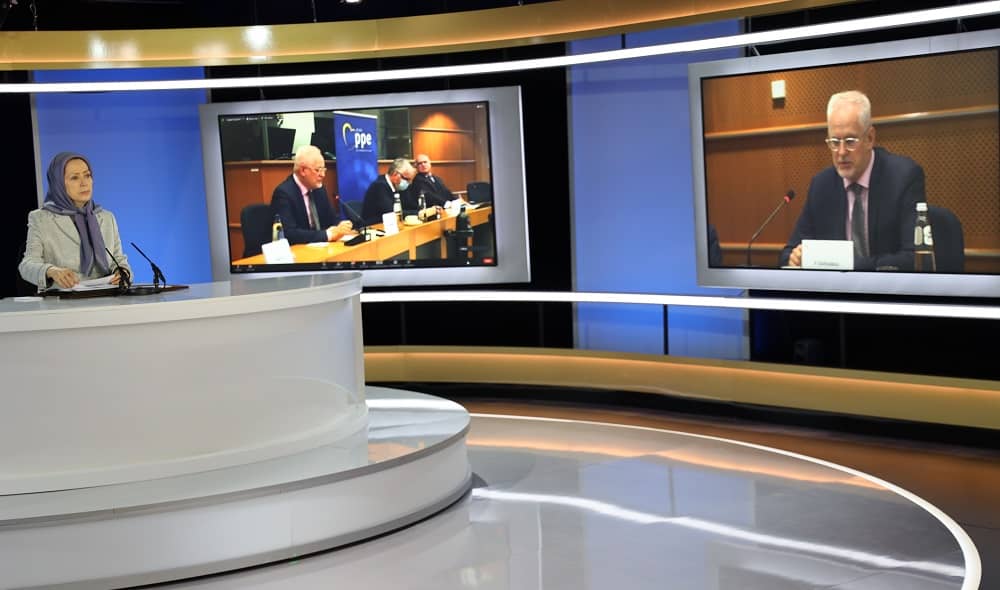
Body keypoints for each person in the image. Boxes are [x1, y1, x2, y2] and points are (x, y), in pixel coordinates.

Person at [779, 90, 925, 271]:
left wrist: (850, 266)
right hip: (835, 288)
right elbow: (788, 253)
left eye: (850, 141)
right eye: (834, 142)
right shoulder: (822, 185)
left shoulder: (903, 178)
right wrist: (794, 258)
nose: (841, 152)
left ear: (870, 138)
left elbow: (914, 258)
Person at [19, 152, 131, 290]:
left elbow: (118, 259)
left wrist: (122, 272)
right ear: (58, 183)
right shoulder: (41, 219)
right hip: (63, 299)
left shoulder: (107, 217)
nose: (84, 183)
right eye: (74, 178)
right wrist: (50, 271)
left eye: (87, 175)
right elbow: (26, 265)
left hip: (107, 295)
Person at [270, 145, 353, 245]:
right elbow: (289, 233)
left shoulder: (319, 189)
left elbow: (331, 219)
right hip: (299, 250)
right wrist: (328, 234)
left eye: (323, 170)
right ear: (303, 171)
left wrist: (341, 227)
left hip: (322, 248)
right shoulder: (284, 194)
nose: (323, 175)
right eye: (318, 170)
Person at [361, 157, 416, 225]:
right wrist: (417, 213)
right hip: (374, 226)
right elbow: (392, 212)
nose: (409, 183)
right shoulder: (379, 186)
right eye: (407, 179)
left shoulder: (398, 186)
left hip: (390, 224)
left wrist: (421, 212)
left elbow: (410, 205)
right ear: (395, 174)